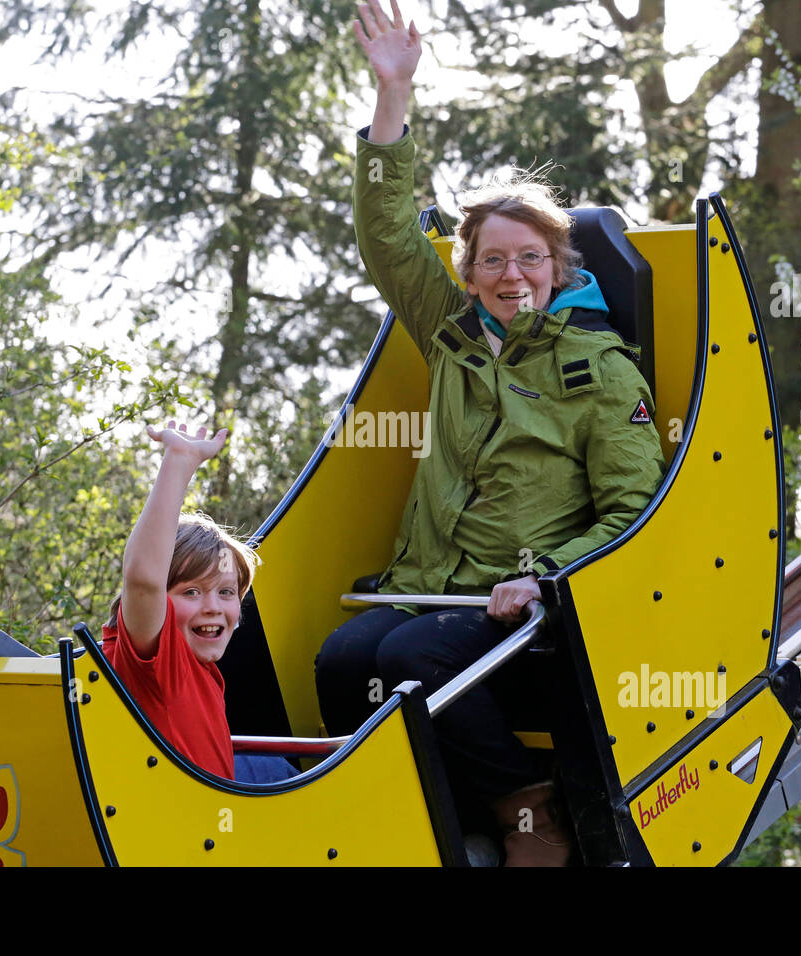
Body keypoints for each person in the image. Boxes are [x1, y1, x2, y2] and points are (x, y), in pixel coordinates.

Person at [314, 0, 667, 865]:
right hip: (434, 582)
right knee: (341, 658)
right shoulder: (452, 336)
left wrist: (546, 578)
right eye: (494, 260)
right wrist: (392, 94)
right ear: (468, 275)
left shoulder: (600, 370)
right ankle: (427, 816)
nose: (513, 275)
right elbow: (387, 237)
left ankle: (526, 810)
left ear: (559, 269)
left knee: (414, 662)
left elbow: (631, 510)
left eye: (531, 258)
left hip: (525, 599)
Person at [102, 420, 296, 784]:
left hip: (214, 809)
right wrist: (179, 462)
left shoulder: (201, 667)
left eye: (225, 592)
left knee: (276, 768)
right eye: (191, 592)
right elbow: (143, 579)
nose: (213, 607)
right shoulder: (157, 659)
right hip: (185, 828)